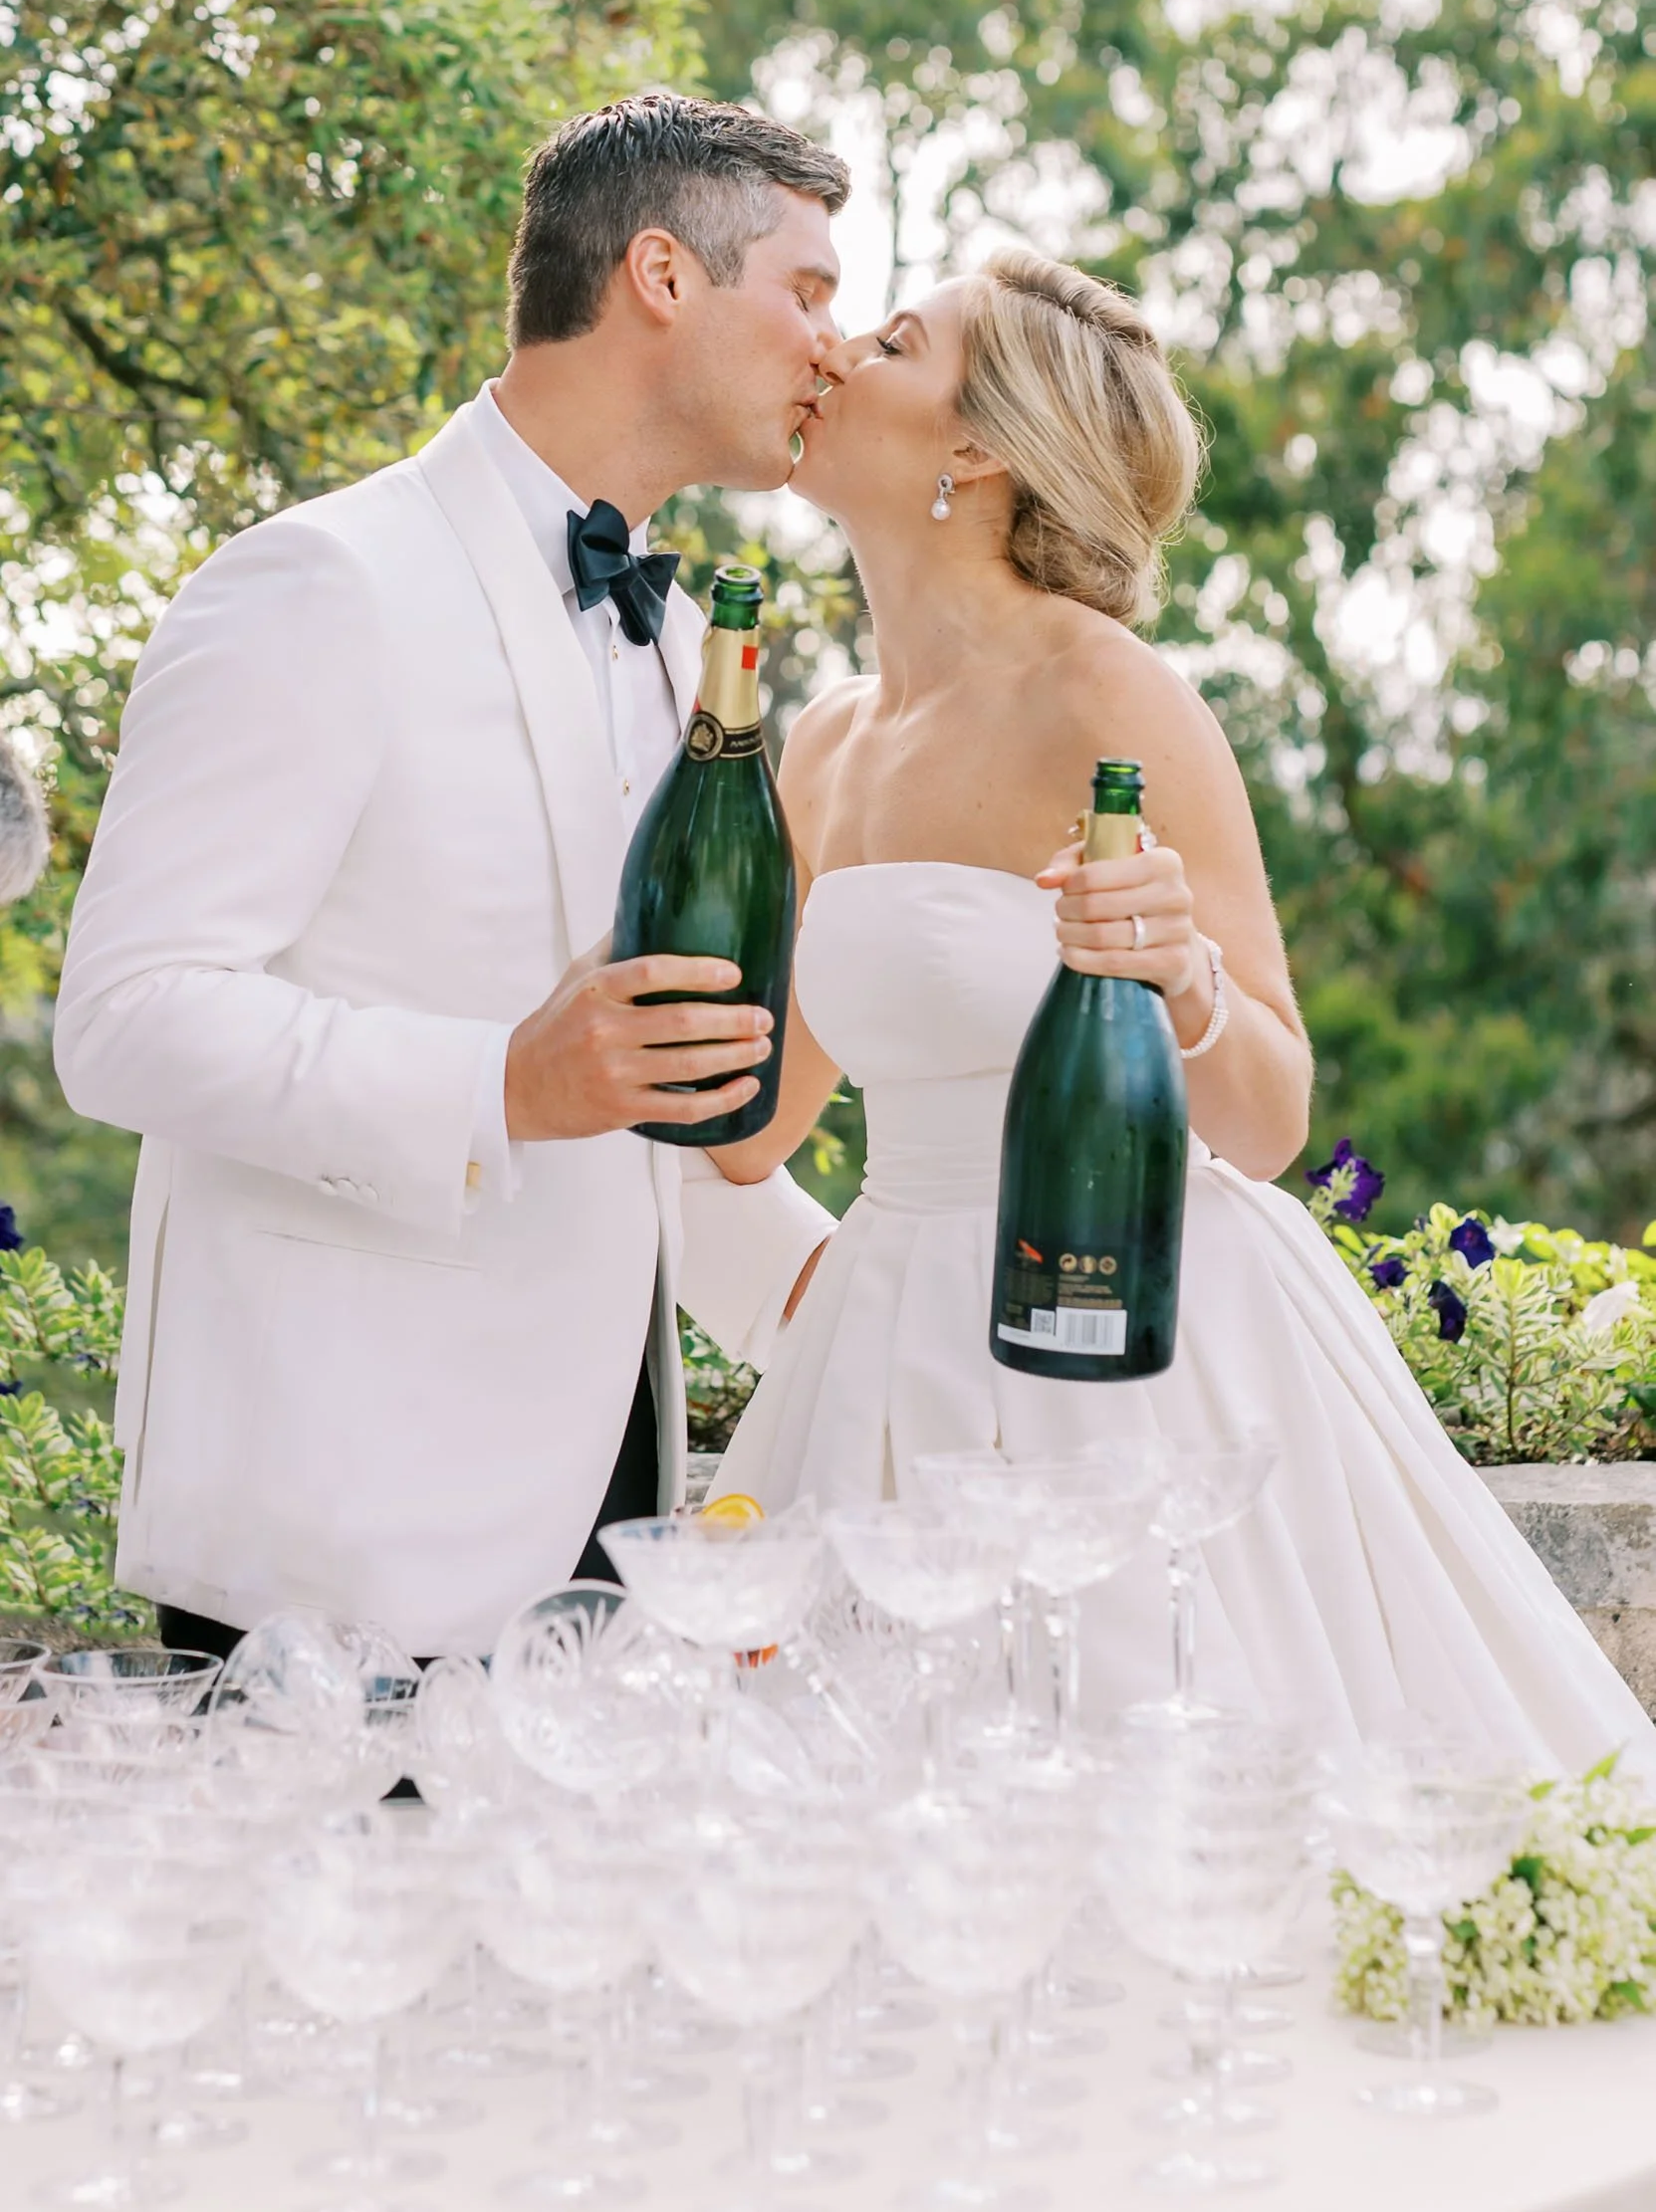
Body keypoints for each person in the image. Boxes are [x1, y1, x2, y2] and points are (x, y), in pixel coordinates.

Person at [713, 247, 1656, 1778]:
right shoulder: (817, 742)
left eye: (890, 341)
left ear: (976, 447)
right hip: (886, 1357)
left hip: (1126, 1338)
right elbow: (754, 1122)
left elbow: (1268, 1117)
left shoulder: (1111, 697)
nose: (834, 356)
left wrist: (1186, 984)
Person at [55, 93, 847, 1660]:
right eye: (807, 292)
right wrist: (494, 1080)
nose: (835, 341)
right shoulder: (319, 584)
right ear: (663, 277)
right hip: (340, 1529)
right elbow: (125, 1019)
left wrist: (847, 1301)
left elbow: (632, 1087)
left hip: (609, 1527)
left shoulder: (688, 650)